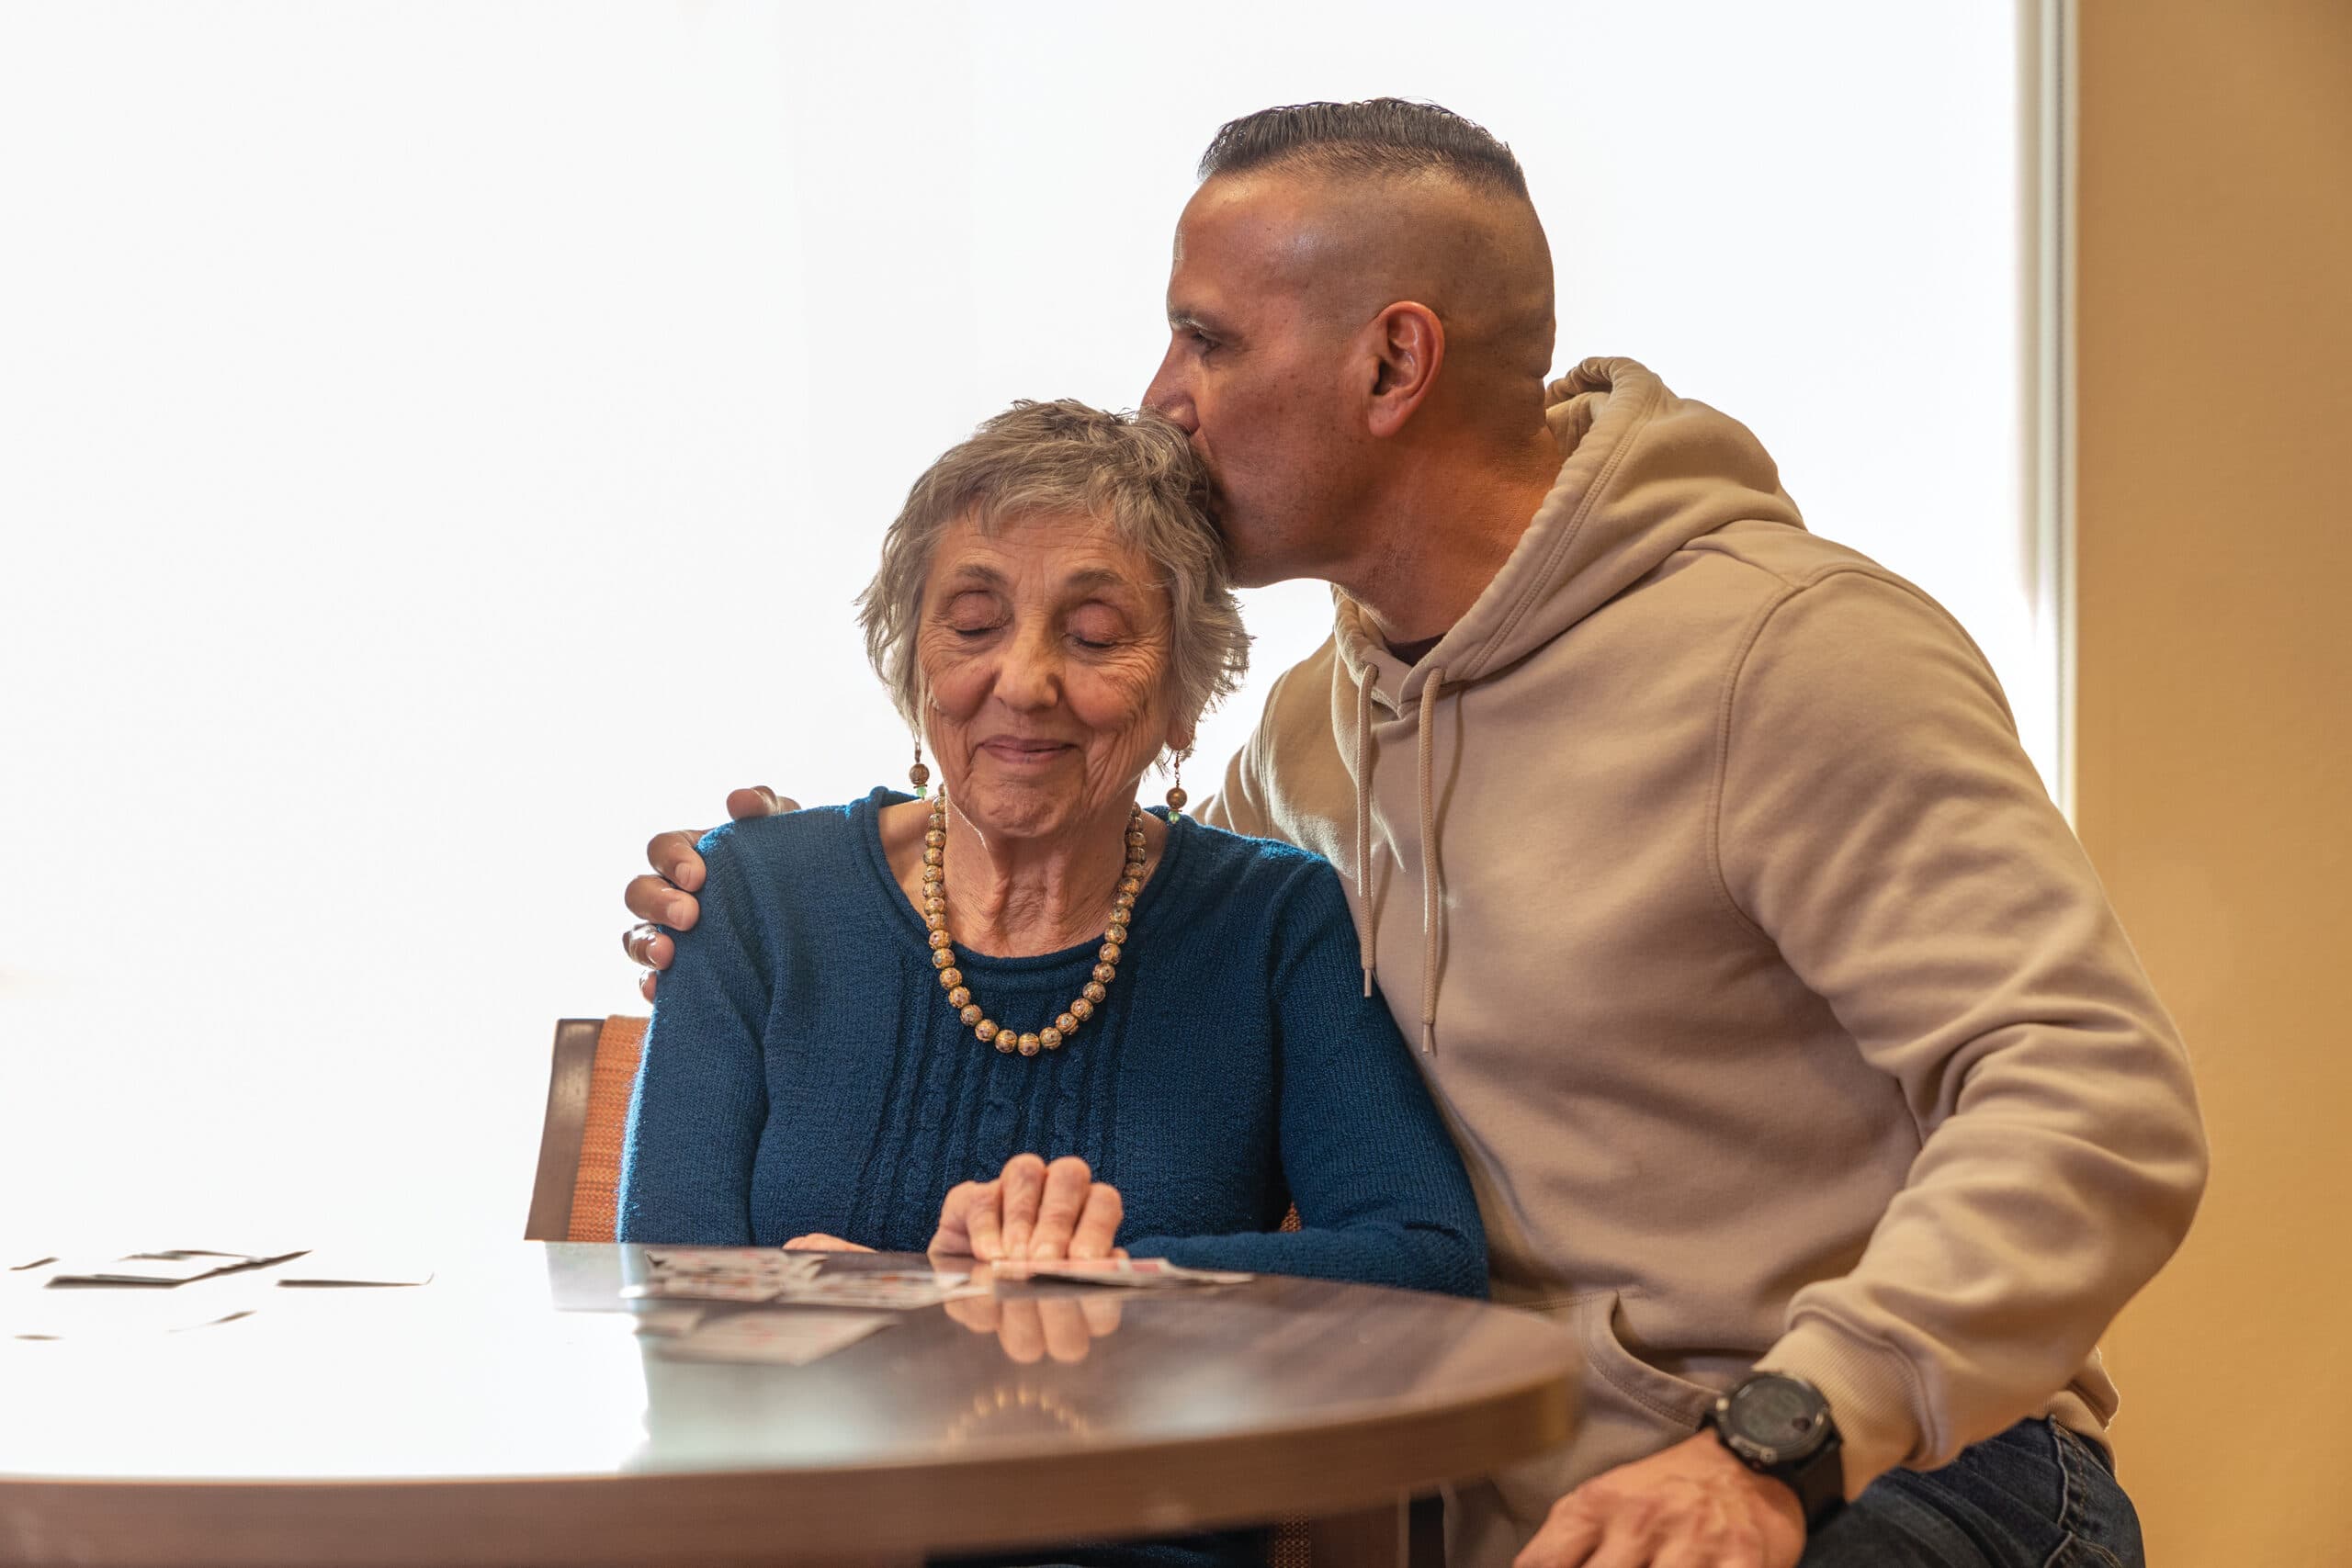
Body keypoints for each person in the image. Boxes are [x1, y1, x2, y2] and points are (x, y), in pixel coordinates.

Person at [625, 103, 2206, 1568]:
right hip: (1503, 1490)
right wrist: (802, 874)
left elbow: (2097, 1098)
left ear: (1393, 366)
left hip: (1854, 1473)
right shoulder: (1327, 728)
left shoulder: (1790, 659)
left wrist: (1780, 1441)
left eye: (1205, 337)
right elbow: (1095, 861)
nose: (1161, 398)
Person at [617, 396, 1485, 1568]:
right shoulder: (754, 900)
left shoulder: (1272, 921)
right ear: (909, 656)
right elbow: (666, 1303)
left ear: (1181, 689)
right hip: (808, 1545)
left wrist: (1103, 1283)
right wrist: (952, 1299)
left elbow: (1426, 1260)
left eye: (1091, 634)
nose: (1022, 681)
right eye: (971, 623)